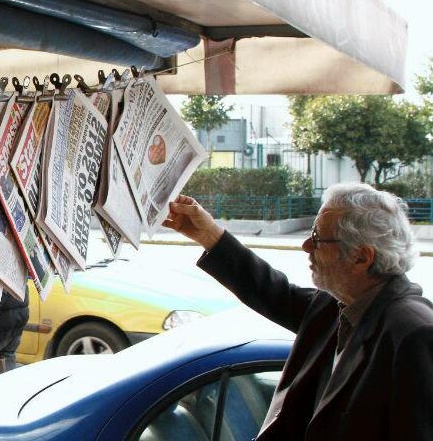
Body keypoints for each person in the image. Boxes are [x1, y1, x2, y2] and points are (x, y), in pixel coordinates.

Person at [163, 184, 433, 440]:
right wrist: (207, 233)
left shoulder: (413, 333)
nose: (305, 246)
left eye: (317, 239)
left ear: (361, 257)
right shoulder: (337, 304)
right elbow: (270, 291)